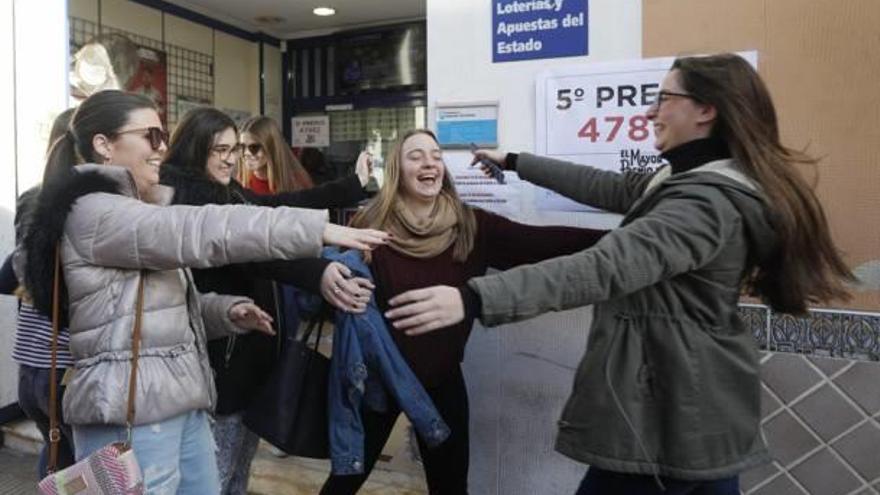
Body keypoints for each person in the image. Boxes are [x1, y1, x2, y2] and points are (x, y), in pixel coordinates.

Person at [385, 54, 855, 494]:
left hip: (673, 407)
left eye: (664, 99)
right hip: (693, 409)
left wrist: (473, 298)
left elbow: (606, 265)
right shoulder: (678, 180)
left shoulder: (706, 202)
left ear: (705, 110)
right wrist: (517, 164)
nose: (651, 112)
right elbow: (607, 187)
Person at [20, 90, 388, 493]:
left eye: (164, 136)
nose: (163, 148)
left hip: (174, 398)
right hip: (134, 409)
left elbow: (160, 305)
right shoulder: (94, 211)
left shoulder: (135, 210)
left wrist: (222, 311)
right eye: (151, 136)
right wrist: (317, 230)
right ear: (104, 145)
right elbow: (201, 229)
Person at [320, 129, 607, 494]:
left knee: (451, 488)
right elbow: (334, 295)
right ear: (397, 170)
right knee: (343, 483)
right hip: (377, 380)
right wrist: (333, 284)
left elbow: (543, 243)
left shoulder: (472, 225)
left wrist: (622, 240)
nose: (428, 163)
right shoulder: (368, 226)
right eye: (416, 156)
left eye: (435, 156)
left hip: (441, 381)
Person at [159, 107, 375, 495]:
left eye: (233, 149)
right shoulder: (185, 203)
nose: (230, 158)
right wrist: (317, 271)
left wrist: (352, 186)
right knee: (214, 477)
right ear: (193, 150)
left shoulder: (229, 193)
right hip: (216, 366)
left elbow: (282, 206)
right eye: (218, 150)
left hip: (249, 354)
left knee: (236, 472)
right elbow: (255, 250)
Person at [7, 108, 77, 477]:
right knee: (88, 468)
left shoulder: (32, 198)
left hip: (31, 362)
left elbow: (15, 274)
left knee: (57, 459)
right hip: (66, 364)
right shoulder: (84, 207)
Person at [239, 116, 318, 195]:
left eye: (254, 147)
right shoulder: (239, 183)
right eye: (242, 147)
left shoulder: (297, 182)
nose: (246, 153)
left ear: (271, 147)